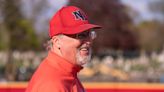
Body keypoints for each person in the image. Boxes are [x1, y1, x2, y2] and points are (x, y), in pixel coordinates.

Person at [25, 5, 101, 92]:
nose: (89, 41)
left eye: (89, 34)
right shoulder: (51, 84)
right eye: (81, 35)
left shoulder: (68, 72)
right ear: (57, 42)